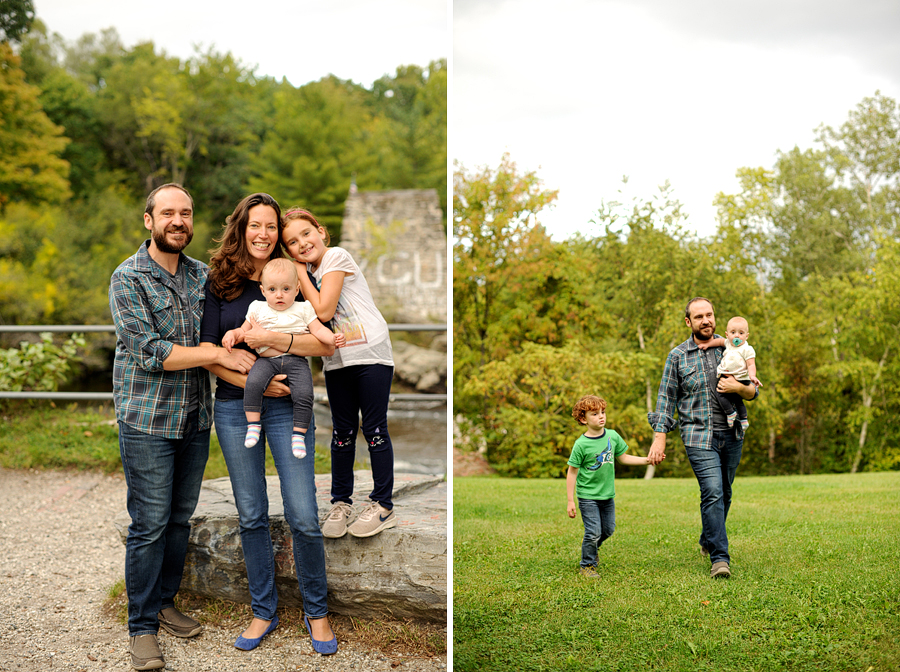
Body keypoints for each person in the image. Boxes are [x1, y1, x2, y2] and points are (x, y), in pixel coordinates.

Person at [110, 183, 258, 671]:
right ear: (148, 221)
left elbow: (242, 317)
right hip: (147, 418)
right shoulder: (127, 277)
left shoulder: (204, 276)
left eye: (186, 213)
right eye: (168, 213)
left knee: (178, 519)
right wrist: (216, 353)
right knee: (149, 524)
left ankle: (165, 601)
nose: (178, 221)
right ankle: (142, 627)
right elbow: (152, 353)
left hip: (195, 417)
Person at [199, 193, 338, 655]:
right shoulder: (219, 282)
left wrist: (274, 341)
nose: (263, 234)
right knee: (252, 514)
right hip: (237, 408)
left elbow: (322, 345)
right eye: (254, 225)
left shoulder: (294, 275)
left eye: (271, 226)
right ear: (241, 228)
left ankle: (317, 613)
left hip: (290, 407)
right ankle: (263, 610)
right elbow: (209, 354)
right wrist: (250, 375)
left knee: (303, 513)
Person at [281, 208, 396, 539]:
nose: (302, 244)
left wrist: (299, 273)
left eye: (306, 234)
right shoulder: (306, 273)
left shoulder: (336, 257)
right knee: (342, 432)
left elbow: (325, 309)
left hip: (371, 353)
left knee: (373, 428)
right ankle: (341, 501)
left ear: (321, 231)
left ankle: (383, 504)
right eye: (292, 242)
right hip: (336, 360)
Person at [647, 297, 759, 579]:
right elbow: (665, 399)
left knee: (726, 492)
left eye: (709, 315)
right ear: (689, 322)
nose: (706, 320)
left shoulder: (733, 344)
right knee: (713, 491)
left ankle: (708, 538)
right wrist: (659, 439)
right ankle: (720, 559)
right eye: (699, 317)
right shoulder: (677, 356)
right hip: (698, 435)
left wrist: (739, 387)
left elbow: (754, 391)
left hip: (732, 433)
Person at [221, 258, 345, 457]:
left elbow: (318, 330)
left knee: (304, 394)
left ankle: (298, 434)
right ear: (263, 291)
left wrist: (333, 338)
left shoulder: (304, 308)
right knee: (253, 383)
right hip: (266, 361)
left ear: (297, 289)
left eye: (286, 289)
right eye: (272, 290)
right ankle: (253, 424)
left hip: (296, 361)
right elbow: (243, 331)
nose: (279, 295)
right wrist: (233, 335)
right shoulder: (257, 308)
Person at [566, 395, 650, 578]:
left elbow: (624, 458)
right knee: (593, 532)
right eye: (594, 414)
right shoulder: (581, 444)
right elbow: (572, 472)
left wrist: (647, 460)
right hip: (587, 495)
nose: (601, 416)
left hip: (607, 495)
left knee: (608, 530)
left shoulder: (612, 436)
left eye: (603, 412)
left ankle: (591, 546)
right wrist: (570, 501)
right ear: (583, 419)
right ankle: (587, 565)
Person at [697, 315, 761, 431]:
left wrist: (752, 376)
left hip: (741, 378)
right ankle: (735, 416)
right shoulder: (728, 344)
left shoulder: (747, 349)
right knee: (728, 397)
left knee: (728, 396)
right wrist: (707, 345)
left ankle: (739, 417)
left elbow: (751, 364)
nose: (737, 335)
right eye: (733, 332)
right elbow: (718, 341)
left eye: (741, 333)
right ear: (727, 334)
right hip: (727, 375)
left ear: (746, 336)